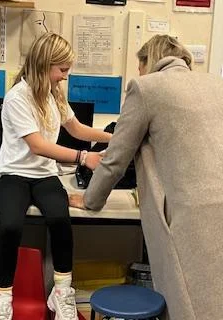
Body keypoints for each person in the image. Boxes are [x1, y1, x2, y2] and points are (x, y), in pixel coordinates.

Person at [69, 34, 223, 320]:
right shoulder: (216, 84)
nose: (138, 73)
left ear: (147, 61)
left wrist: (90, 200)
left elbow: (115, 158)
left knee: (187, 305)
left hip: (187, 216)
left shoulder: (146, 88)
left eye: (139, 67)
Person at [0, 32, 111, 320]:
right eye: (63, 70)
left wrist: (117, 139)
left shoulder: (54, 95)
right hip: (14, 176)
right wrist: (84, 157)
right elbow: (38, 145)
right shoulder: (17, 97)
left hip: (45, 177)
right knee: (10, 227)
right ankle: (2, 299)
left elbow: (77, 129)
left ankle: (61, 293)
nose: (65, 77)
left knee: (59, 221)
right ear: (45, 65)